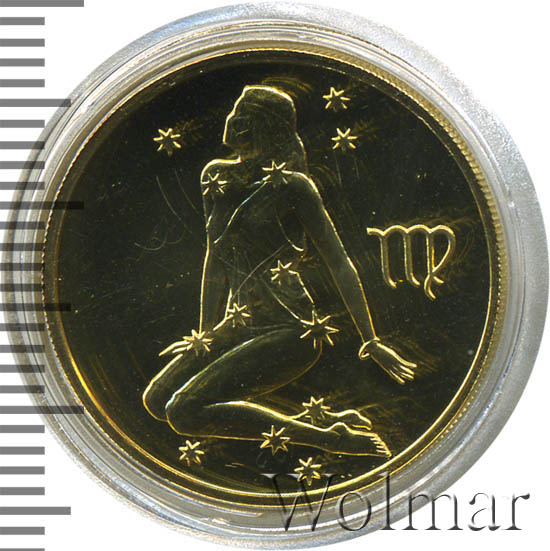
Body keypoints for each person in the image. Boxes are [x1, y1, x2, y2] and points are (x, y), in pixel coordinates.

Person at [143, 86, 416, 456]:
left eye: (244, 115)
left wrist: (371, 339)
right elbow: (215, 256)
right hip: (240, 323)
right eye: (235, 111)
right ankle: (321, 422)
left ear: (266, 126)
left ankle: (334, 440)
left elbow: (338, 261)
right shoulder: (215, 176)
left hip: (291, 328)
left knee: (182, 412)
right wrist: (206, 332)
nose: (232, 121)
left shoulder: (295, 186)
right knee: (155, 400)